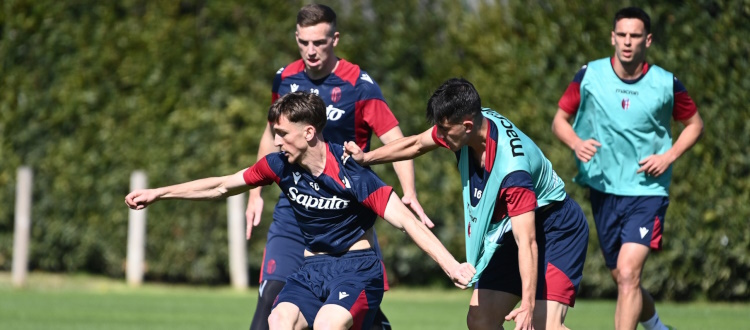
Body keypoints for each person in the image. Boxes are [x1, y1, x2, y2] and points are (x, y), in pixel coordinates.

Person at [125, 92, 474, 330]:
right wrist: (160, 193)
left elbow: (406, 222)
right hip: (310, 269)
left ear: (308, 132)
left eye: (282, 133)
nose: (276, 141)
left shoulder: (350, 170)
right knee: (279, 322)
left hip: (357, 270)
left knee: (326, 325)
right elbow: (221, 185)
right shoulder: (279, 166)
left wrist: (450, 265)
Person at [343, 78, 590, 330]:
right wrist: (366, 158)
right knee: (480, 320)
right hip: (512, 229)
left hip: (557, 229)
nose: (439, 136)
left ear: (468, 125)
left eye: (445, 131)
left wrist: (527, 305)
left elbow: (526, 241)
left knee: (541, 325)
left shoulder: (513, 171)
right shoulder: (463, 128)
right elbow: (416, 143)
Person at [245, 5, 429, 329]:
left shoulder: (358, 84)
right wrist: (255, 194)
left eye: (319, 42)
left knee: (344, 310)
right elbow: (269, 134)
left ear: (335, 39)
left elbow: (395, 139)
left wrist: (410, 192)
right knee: (271, 303)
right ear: (296, 38)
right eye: (303, 42)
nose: (311, 51)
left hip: (344, 212)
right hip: (294, 207)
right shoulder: (285, 77)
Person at [550, 7, 703, 330]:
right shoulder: (589, 75)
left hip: (647, 191)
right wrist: (577, 143)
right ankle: (659, 327)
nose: (627, 42)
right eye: (622, 35)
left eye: (635, 36)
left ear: (647, 40)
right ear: (612, 38)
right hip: (604, 190)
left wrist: (668, 156)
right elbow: (559, 121)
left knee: (630, 274)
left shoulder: (665, 83)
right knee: (623, 277)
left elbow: (694, 124)